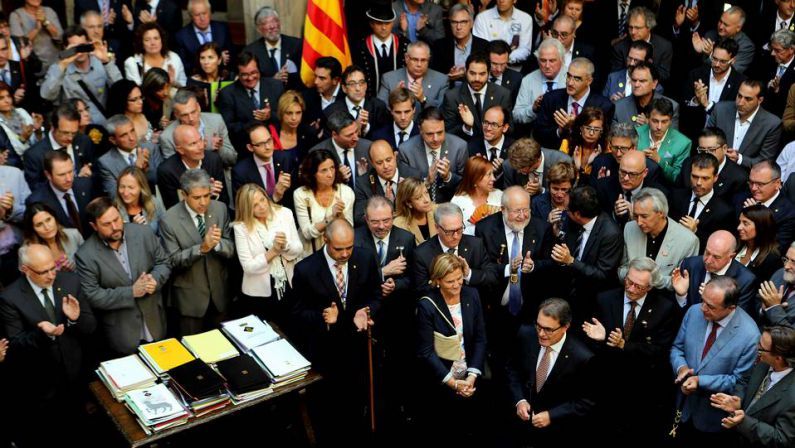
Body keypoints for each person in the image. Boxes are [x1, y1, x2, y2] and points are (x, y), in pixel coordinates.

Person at [289, 218, 381, 443]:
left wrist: (366, 311)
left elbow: (376, 296)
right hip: (326, 352)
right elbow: (297, 314)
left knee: (359, 404)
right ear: (325, 240)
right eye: (339, 248)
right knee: (329, 411)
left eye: (349, 247)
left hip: (358, 347)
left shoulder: (366, 257)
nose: (345, 253)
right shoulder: (306, 269)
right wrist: (325, 318)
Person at [0, 244, 96, 447]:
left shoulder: (70, 281)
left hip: (76, 372)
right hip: (42, 381)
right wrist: (42, 334)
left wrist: (74, 319)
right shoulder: (10, 297)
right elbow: (16, 343)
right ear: (25, 269)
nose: (52, 275)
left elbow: (91, 328)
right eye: (44, 272)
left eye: (53, 268)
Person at [583, 257, 678, 446]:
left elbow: (659, 352)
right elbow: (590, 344)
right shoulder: (605, 299)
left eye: (639, 286)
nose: (631, 289)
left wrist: (624, 345)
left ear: (650, 287)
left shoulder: (665, 308)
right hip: (607, 385)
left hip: (641, 390)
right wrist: (602, 340)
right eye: (629, 281)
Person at [75, 197, 171, 357]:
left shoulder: (143, 232)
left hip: (155, 322)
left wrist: (155, 279)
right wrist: (131, 292)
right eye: (106, 224)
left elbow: (164, 262)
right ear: (94, 226)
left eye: (116, 219)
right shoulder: (85, 255)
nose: (115, 227)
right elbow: (93, 296)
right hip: (122, 334)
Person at [669, 276, 760, 443]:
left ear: (731, 307)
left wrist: (700, 380)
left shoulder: (750, 336)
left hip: (712, 418)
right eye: (703, 301)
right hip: (682, 406)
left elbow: (739, 380)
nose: (703, 308)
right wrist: (681, 367)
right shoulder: (693, 312)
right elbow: (677, 348)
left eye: (711, 307)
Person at [416, 253, 487, 444]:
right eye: (450, 282)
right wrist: (453, 383)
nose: (456, 285)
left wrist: (472, 376)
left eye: (459, 279)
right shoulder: (427, 305)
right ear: (437, 281)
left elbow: (480, 338)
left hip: (470, 376)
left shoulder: (472, 294)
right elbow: (426, 351)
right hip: (442, 379)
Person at [506, 298, 595, 447]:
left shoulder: (582, 357)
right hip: (520, 430)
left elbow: (585, 402)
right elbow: (513, 370)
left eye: (548, 329)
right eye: (538, 326)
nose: (541, 333)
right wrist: (519, 400)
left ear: (565, 327)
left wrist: (551, 416)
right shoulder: (526, 334)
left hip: (557, 434)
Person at [160, 169, 234, 337]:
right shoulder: (169, 220)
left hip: (220, 295)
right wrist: (202, 248)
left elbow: (231, 248)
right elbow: (172, 261)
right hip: (190, 301)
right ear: (184, 194)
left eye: (207, 195)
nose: (203, 202)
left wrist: (217, 244)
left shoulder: (220, 209)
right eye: (196, 197)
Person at [710, 325, 795, 448]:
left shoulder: (792, 396)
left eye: (761, 348)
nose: (757, 349)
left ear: (778, 358)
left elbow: (782, 439)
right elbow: (744, 381)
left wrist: (744, 421)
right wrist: (738, 400)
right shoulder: (763, 363)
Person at [549, 185, 623, 323]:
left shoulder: (610, 234)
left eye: (568, 210)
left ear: (577, 214)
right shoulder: (572, 221)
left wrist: (571, 260)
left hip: (591, 301)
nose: (564, 211)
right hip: (567, 293)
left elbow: (602, 274)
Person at [232, 183, 302, 325]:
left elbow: (298, 249)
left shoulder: (285, 213)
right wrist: (273, 252)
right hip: (258, 293)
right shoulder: (240, 227)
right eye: (255, 205)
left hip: (289, 283)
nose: (262, 206)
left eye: (262, 200)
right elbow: (248, 267)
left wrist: (285, 246)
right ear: (247, 209)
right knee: (261, 334)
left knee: (292, 329)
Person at [618, 187, 699, 289]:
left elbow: (683, 282)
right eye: (635, 216)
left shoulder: (688, 241)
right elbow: (622, 268)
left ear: (661, 213)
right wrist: (632, 278)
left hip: (663, 299)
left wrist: (651, 280)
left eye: (644, 216)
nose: (639, 222)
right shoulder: (629, 228)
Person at [40, 26, 121, 125]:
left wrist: (106, 62)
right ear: (66, 48)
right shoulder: (59, 68)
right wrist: (63, 64)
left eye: (82, 46)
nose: (80, 51)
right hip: (76, 127)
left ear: (88, 43)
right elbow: (46, 95)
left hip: (103, 124)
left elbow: (121, 89)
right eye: (75, 48)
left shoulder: (100, 62)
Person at [412, 202, 497, 295]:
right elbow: (421, 291)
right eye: (449, 231)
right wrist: (444, 282)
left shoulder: (475, 245)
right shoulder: (422, 253)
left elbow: (492, 277)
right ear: (437, 228)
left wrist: (469, 274)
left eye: (459, 229)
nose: (456, 236)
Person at [533, 57, 613, 150]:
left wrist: (574, 127)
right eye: (569, 76)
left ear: (589, 81)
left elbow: (602, 141)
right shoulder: (551, 99)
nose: (570, 83)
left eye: (577, 79)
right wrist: (560, 131)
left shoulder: (603, 106)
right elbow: (538, 134)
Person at [673, 230, 758, 315]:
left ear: (731, 256)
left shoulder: (745, 281)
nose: (708, 261)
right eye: (707, 252)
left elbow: (736, 320)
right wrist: (681, 296)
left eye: (716, 257)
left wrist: (712, 301)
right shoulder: (690, 265)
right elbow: (676, 314)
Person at [216, 51, 285, 150]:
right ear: (238, 75)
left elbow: (285, 116)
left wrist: (270, 116)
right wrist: (254, 122)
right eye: (244, 75)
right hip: (246, 147)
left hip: (276, 144)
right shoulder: (227, 94)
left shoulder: (276, 86)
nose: (250, 78)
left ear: (259, 70)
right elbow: (228, 127)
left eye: (254, 72)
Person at [397, 106, 468, 203]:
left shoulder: (459, 147)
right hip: (418, 209)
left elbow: (466, 185)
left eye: (440, 132)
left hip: (451, 207)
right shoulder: (406, 150)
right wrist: (426, 181)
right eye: (430, 134)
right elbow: (405, 189)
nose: (436, 138)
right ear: (420, 130)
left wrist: (448, 177)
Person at [706, 80, 782, 169]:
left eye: (748, 99)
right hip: (714, 168)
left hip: (746, 176)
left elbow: (765, 161)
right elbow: (706, 140)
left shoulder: (772, 124)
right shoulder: (720, 110)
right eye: (739, 96)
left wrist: (739, 159)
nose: (740, 102)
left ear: (760, 100)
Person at [669, 152, 737, 251]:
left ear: (715, 178)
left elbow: (721, 248)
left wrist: (695, 231)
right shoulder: (676, 197)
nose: (698, 183)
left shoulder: (724, 211)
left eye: (705, 178)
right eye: (695, 176)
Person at [293, 149, 354, 256]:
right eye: (324, 170)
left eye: (332, 168)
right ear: (313, 173)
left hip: (338, 253)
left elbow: (349, 230)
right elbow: (307, 233)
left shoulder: (345, 192)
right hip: (309, 253)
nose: (330, 174)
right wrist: (331, 217)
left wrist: (341, 215)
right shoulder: (301, 194)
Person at [681, 38, 746, 139]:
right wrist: (696, 100)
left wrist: (707, 105)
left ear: (732, 60)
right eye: (714, 59)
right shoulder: (696, 74)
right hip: (695, 135)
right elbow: (684, 105)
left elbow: (734, 114)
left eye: (723, 61)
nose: (716, 64)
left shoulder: (740, 82)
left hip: (722, 137)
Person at [158, 89, 236, 171]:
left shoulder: (216, 121)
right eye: (185, 115)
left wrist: (220, 148)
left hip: (219, 174)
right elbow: (174, 171)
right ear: (176, 115)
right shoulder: (167, 137)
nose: (191, 118)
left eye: (193, 112)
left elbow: (232, 160)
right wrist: (206, 149)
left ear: (198, 107)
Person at [23, 103, 95, 190]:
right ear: (53, 127)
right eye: (65, 133)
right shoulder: (34, 155)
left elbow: (96, 173)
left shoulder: (83, 141)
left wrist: (89, 174)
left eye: (74, 133)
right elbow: (37, 190)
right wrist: (77, 181)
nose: (70, 138)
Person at [156, 124, 227, 209]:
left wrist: (214, 195)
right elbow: (173, 207)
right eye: (193, 144)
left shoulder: (213, 160)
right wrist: (205, 192)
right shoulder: (167, 171)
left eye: (200, 140)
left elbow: (224, 199)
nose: (201, 146)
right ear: (180, 150)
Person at [26, 150, 94, 238]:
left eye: (70, 172)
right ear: (48, 175)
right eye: (62, 175)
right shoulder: (37, 201)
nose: (69, 179)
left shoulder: (86, 185)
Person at [353, 139, 420, 226]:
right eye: (379, 163)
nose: (386, 166)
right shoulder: (363, 183)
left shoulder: (412, 175)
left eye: (388, 160)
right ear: (372, 163)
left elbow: (421, 211)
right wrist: (384, 204)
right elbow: (359, 218)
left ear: (395, 156)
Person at [231, 122, 298, 206]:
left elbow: (295, 193)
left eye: (269, 140)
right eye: (261, 144)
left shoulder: (285, 159)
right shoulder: (240, 172)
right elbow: (243, 207)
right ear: (250, 147)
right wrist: (274, 196)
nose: (268, 147)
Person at [676, 127, 749, 202]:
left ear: (724, 149)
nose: (706, 154)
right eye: (702, 150)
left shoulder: (739, 177)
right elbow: (678, 195)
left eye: (711, 150)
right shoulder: (688, 164)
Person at [377, 41, 449, 116]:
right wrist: (395, 99)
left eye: (423, 60)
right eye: (415, 60)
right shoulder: (389, 78)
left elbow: (443, 112)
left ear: (429, 59)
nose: (419, 64)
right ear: (406, 58)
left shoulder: (441, 80)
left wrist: (423, 99)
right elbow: (379, 111)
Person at [354, 2, 410, 98]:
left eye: (387, 23)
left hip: (400, 104)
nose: (384, 28)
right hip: (370, 103)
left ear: (392, 23)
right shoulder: (360, 47)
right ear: (371, 24)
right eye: (379, 23)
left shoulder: (404, 44)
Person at [97, 114, 161, 196]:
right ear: (113, 140)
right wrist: (137, 169)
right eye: (124, 135)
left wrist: (146, 169)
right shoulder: (105, 163)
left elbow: (160, 181)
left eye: (132, 131)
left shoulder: (151, 148)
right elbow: (115, 196)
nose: (132, 138)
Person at [741, 160, 795, 254]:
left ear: (777, 183)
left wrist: (758, 218)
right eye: (751, 182)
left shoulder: (789, 214)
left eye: (760, 184)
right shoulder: (741, 199)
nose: (753, 188)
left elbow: (776, 250)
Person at [309, 110, 373, 189]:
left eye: (356, 131)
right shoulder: (317, 152)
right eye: (349, 135)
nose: (356, 138)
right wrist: (336, 179)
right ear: (334, 135)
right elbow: (312, 186)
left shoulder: (369, 147)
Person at [242, 6, 302, 89]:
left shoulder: (296, 45)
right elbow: (248, 81)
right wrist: (272, 81)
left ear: (279, 23)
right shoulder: (251, 51)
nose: (272, 26)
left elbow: (304, 75)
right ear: (259, 29)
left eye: (275, 21)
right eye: (266, 23)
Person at [323, 64, 390, 138]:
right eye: (352, 84)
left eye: (361, 83)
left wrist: (365, 128)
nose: (358, 88)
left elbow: (384, 136)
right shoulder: (331, 111)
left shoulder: (378, 106)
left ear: (366, 86)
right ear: (344, 88)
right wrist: (355, 127)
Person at [610, 7, 673, 81]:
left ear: (649, 27)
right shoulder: (620, 47)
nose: (633, 32)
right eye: (630, 27)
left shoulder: (664, 46)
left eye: (637, 28)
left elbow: (664, 75)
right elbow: (616, 76)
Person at [429, 3, 487, 85]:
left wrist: (466, 74)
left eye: (463, 22)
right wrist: (448, 77)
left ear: (471, 23)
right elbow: (434, 77)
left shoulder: (484, 46)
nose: (458, 27)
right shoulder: (439, 46)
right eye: (454, 22)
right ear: (450, 24)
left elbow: (487, 76)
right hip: (448, 93)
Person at [635, 98, 690, 184]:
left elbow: (677, 178)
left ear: (671, 121)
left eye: (664, 122)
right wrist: (638, 157)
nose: (659, 127)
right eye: (655, 121)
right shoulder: (635, 133)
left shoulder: (683, 143)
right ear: (648, 118)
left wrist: (660, 161)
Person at [513, 38, 567, 126]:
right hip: (534, 134)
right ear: (538, 61)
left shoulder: (571, 78)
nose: (547, 65)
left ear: (562, 59)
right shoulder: (528, 80)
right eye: (543, 60)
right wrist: (533, 109)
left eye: (552, 60)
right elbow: (516, 116)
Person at [173, 0, 233, 77]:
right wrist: (214, 59)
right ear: (191, 16)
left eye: (205, 13)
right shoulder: (181, 36)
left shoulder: (222, 29)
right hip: (196, 81)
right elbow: (183, 65)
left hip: (223, 78)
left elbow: (232, 56)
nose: (202, 18)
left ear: (210, 13)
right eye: (197, 15)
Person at [612, 62, 680, 129]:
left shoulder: (672, 106)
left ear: (654, 83)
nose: (636, 85)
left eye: (642, 81)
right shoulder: (618, 106)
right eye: (634, 80)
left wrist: (650, 126)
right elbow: (614, 137)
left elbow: (672, 138)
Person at [22, 202, 83, 272]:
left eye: (48, 220)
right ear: (33, 230)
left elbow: (88, 262)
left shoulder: (73, 235)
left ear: (55, 218)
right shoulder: (27, 252)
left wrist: (73, 267)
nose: (47, 227)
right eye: (39, 224)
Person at [472, 0, 534, 68]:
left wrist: (505, 59)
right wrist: (497, 61)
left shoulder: (525, 19)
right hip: (487, 68)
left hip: (514, 69)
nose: (501, 0)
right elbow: (479, 49)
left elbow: (525, 49)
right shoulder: (482, 18)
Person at [124, 21, 186, 87]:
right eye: (147, 40)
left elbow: (183, 86)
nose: (153, 43)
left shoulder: (174, 57)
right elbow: (135, 94)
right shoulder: (132, 63)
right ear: (141, 43)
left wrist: (173, 83)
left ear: (162, 40)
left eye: (156, 38)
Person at [452, 156, 503, 235]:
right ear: (475, 179)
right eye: (489, 175)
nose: (493, 178)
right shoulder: (458, 201)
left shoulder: (500, 196)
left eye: (493, 174)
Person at [735, 204, 781, 286]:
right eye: (740, 222)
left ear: (761, 226)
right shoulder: (735, 246)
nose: (739, 227)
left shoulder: (772, 259)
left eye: (745, 223)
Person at [9, 0, 63, 67]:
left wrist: (45, 21)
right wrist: (36, 29)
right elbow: (19, 45)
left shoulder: (49, 11)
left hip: (55, 61)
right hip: (33, 65)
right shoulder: (16, 15)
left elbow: (59, 37)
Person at [113, 166, 164, 235]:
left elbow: (165, 232)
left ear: (141, 188)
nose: (125, 193)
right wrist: (133, 229)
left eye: (131, 187)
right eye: (122, 187)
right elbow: (118, 242)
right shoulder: (114, 209)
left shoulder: (154, 202)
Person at [559, 107, 604, 184]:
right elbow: (560, 176)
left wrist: (595, 162)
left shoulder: (606, 149)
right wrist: (576, 168)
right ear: (581, 128)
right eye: (588, 128)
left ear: (601, 132)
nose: (591, 133)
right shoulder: (567, 144)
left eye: (596, 130)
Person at [186, 43, 235, 114]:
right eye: (202, 58)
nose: (206, 62)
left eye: (210, 57)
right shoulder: (193, 82)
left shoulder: (229, 78)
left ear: (219, 60)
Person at [0, 81, 41, 163]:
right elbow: (10, 153)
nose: (7, 101)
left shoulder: (21, 111)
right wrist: (23, 139)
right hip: (18, 164)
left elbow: (37, 142)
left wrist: (38, 131)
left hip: (37, 157)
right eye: (1, 98)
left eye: (8, 96)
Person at [106, 79, 155, 145]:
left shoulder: (147, 113)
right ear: (122, 101)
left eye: (140, 97)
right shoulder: (119, 126)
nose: (140, 102)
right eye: (134, 100)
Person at [369, 86, 418, 151]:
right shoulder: (379, 136)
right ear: (391, 111)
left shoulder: (422, 134)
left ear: (414, 110)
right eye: (398, 112)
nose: (403, 117)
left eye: (407, 112)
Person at [272, 90, 318, 156]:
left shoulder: (308, 133)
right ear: (281, 113)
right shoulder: (271, 133)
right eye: (289, 113)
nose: (294, 118)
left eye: (298, 113)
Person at [393, 176, 437, 244]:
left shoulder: (438, 211)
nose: (426, 200)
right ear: (408, 203)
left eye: (426, 193)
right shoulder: (399, 224)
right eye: (419, 197)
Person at [532, 162, 575, 231]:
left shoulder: (577, 202)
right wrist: (547, 224)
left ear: (571, 187)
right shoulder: (537, 203)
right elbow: (533, 233)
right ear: (549, 186)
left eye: (564, 189)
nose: (559, 194)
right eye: (555, 189)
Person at [763, 28, 795, 117]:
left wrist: (778, 90)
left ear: (791, 49)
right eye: (772, 49)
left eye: (777, 50)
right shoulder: (767, 61)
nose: (772, 54)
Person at [140, 67, 173, 132]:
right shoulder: (141, 105)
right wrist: (157, 125)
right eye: (160, 89)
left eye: (167, 87)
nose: (166, 93)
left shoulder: (170, 99)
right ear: (150, 89)